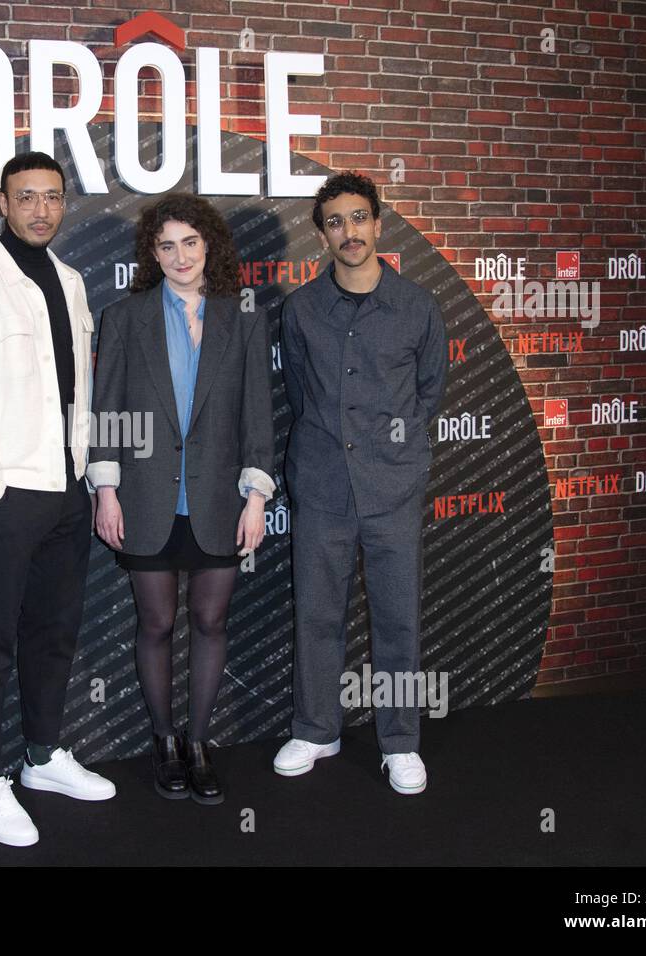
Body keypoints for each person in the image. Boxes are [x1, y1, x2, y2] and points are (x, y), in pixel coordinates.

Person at [0, 151, 115, 848]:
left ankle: (42, 756)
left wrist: (86, 473)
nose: (41, 209)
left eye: (52, 197)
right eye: (26, 197)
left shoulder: (68, 281)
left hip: (65, 485)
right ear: (2, 205)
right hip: (6, 494)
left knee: (55, 630)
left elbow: (75, 393)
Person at [89, 193, 275, 805]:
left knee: (211, 620)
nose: (179, 256)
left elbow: (256, 417)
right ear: (153, 253)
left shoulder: (243, 317)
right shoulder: (125, 318)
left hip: (220, 498)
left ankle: (199, 742)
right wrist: (106, 489)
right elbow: (107, 412)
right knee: (157, 622)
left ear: (209, 247)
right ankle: (164, 740)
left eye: (190, 242)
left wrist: (256, 496)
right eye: (166, 245)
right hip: (144, 498)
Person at [272, 171, 447, 794]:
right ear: (323, 234)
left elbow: (429, 394)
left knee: (397, 618)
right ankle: (316, 728)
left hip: (392, 488)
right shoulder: (300, 310)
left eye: (358, 218)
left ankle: (399, 741)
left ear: (379, 223)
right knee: (317, 612)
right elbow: (297, 392)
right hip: (321, 484)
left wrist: (394, 455)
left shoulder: (419, 307)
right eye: (335, 222)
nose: (349, 232)